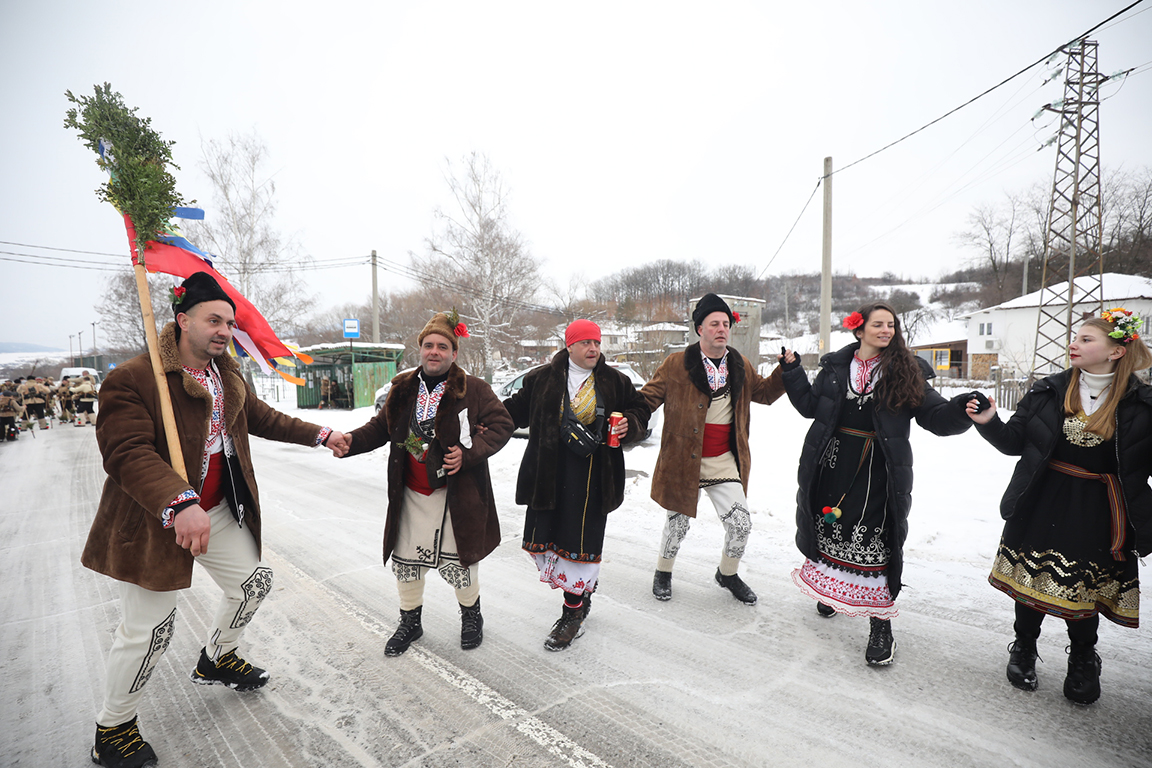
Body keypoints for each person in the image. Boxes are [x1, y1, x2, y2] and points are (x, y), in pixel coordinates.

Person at [83, 272, 348, 768]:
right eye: (214, 320)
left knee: (253, 583)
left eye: (229, 321)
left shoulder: (227, 375)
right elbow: (126, 451)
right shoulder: (136, 378)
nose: (225, 330)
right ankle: (113, 727)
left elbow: (265, 419)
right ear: (183, 321)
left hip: (219, 511)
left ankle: (218, 657)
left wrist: (321, 433)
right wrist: (179, 501)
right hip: (153, 521)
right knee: (149, 630)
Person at [965, 309, 1152, 704]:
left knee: (1081, 590)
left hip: (1100, 508)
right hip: (1043, 496)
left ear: (1116, 351)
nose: (1074, 344)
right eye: (1075, 337)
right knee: (1031, 581)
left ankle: (1083, 657)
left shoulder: (1142, 404)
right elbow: (1016, 442)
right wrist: (989, 422)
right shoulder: (1048, 389)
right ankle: (1024, 646)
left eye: (1086, 339)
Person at [778, 301, 972, 666]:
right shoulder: (837, 367)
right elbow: (809, 406)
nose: (886, 330)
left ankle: (880, 625)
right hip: (833, 461)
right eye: (878, 324)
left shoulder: (904, 370)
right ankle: (833, 590)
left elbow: (933, 413)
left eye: (891, 325)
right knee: (830, 527)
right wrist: (791, 371)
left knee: (876, 542)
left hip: (877, 468)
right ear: (859, 328)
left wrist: (960, 410)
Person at [341, 311, 513, 657]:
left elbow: (502, 425)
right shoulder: (403, 387)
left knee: (461, 562)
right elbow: (380, 427)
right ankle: (410, 621)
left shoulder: (474, 388)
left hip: (455, 494)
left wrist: (469, 453)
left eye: (442, 346)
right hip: (410, 491)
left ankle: (471, 617)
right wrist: (349, 441)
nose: (434, 351)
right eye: (428, 345)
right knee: (406, 562)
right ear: (420, 349)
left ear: (454, 353)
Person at [503, 319, 650, 650]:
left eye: (596, 343)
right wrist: (477, 421)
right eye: (585, 343)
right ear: (569, 346)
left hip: (595, 478)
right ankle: (581, 594)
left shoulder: (616, 381)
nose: (593, 348)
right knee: (552, 543)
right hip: (549, 475)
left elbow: (641, 409)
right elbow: (511, 413)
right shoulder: (541, 379)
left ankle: (572, 614)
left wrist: (632, 424)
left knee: (580, 545)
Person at [642, 293, 786, 605]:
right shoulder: (676, 364)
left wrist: (785, 372)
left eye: (725, 323)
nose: (722, 328)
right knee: (676, 525)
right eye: (714, 324)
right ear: (699, 330)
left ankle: (728, 574)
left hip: (723, 460)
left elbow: (762, 392)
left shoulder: (739, 363)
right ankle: (663, 571)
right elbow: (648, 397)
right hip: (684, 461)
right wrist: (630, 414)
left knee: (741, 525)